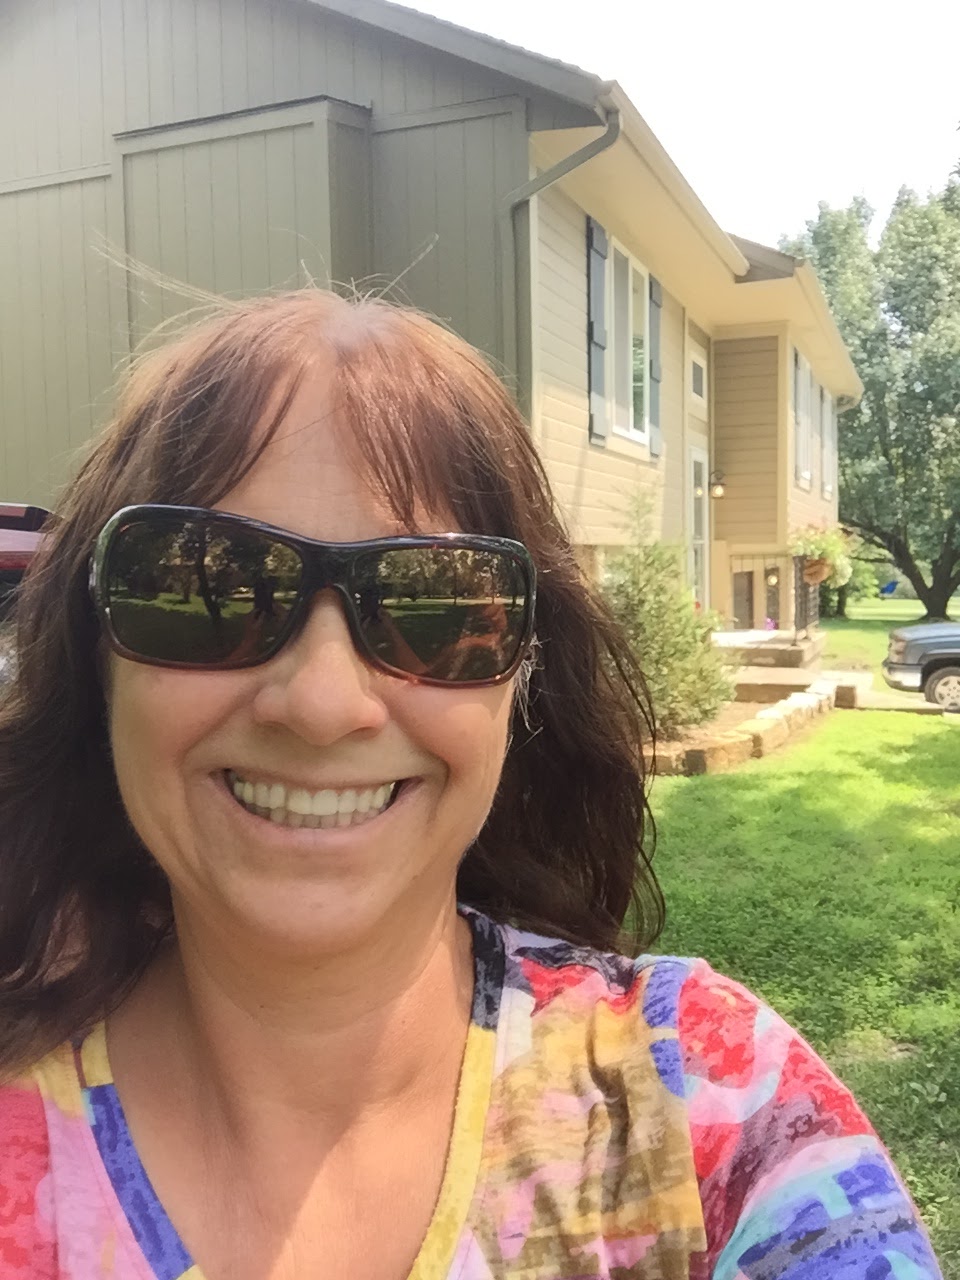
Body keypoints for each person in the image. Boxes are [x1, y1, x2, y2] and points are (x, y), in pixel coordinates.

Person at [0, 291, 942, 1280]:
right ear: (94, 657)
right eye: (209, 587)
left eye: (437, 603)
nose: (322, 703)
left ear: (524, 680)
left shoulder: (713, 1101)